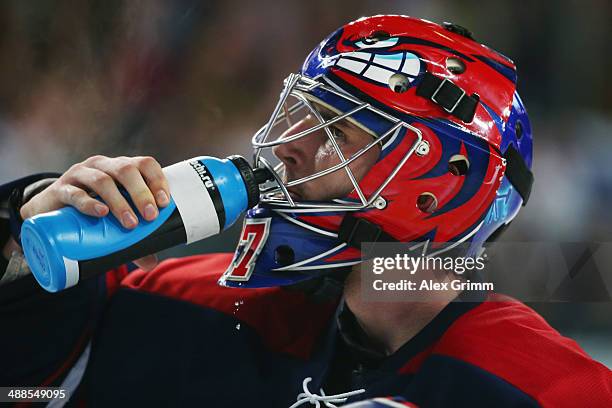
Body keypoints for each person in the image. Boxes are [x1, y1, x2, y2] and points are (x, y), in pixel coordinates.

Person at [1, 15, 611, 407]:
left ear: (438, 186)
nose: (288, 146)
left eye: (336, 130)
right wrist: (16, 248)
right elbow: (23, 390)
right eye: (302, 114)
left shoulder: (549, 392)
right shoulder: (197, 310)